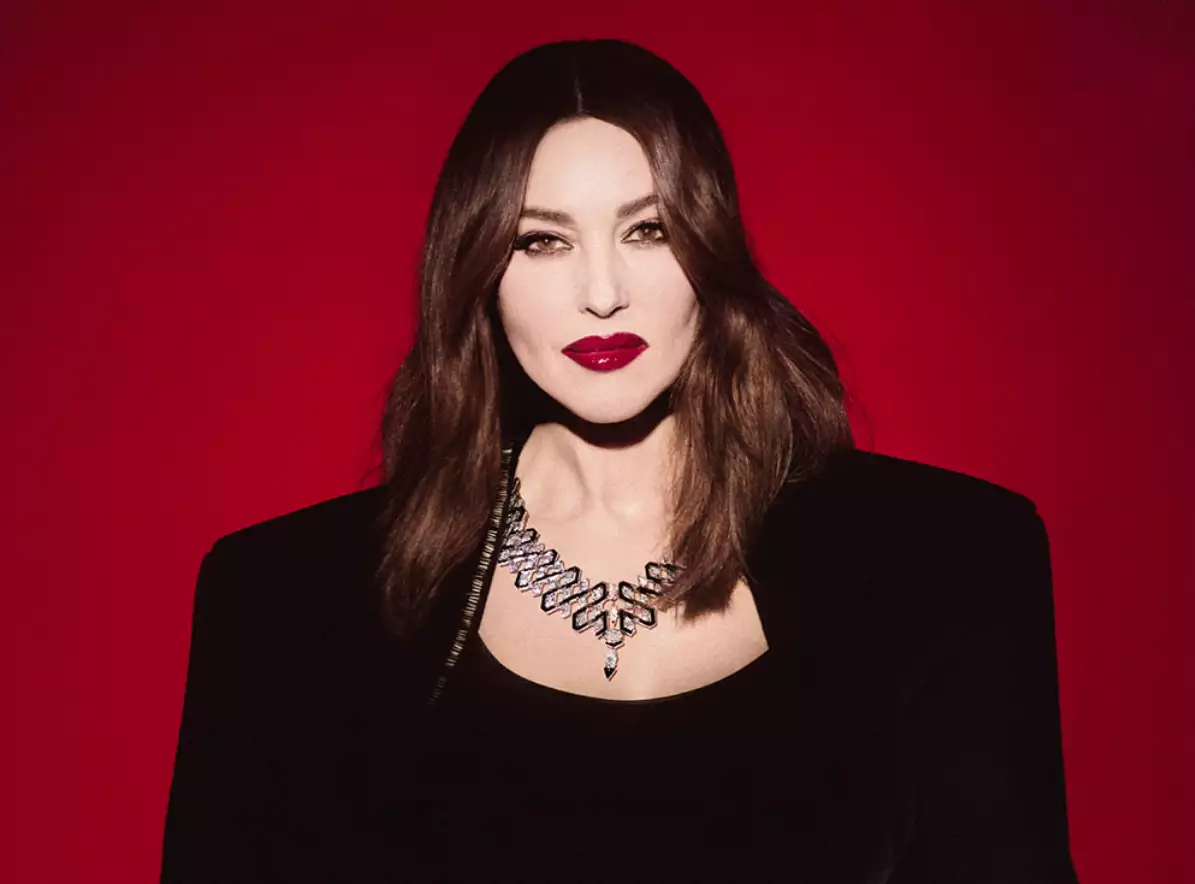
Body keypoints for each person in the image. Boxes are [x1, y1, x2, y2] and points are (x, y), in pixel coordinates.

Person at [161, 38, 1079, 883]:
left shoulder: (946, 558)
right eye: (541, 240)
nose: (601, 293)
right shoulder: (286, 600)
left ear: (711, 248)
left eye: (649, 230)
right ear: (477, 273)